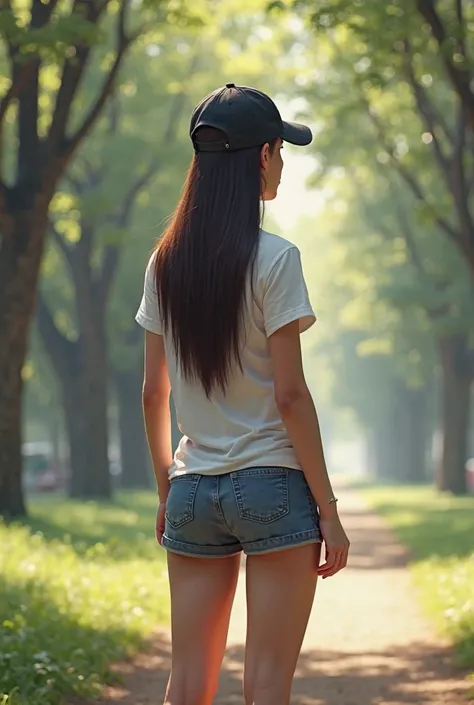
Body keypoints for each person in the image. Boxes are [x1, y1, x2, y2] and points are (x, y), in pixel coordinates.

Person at [135, 83, 350, 705]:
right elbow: (290, 396)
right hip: (273, 487)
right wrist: (328, 509)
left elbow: (154, 393)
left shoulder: (164, 263)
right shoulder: (277, 260)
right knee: (265, 685)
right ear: (263, 155)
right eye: (280, 150)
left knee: (189, 684)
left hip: (193, 489)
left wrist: (165, 490)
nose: (281, 163)